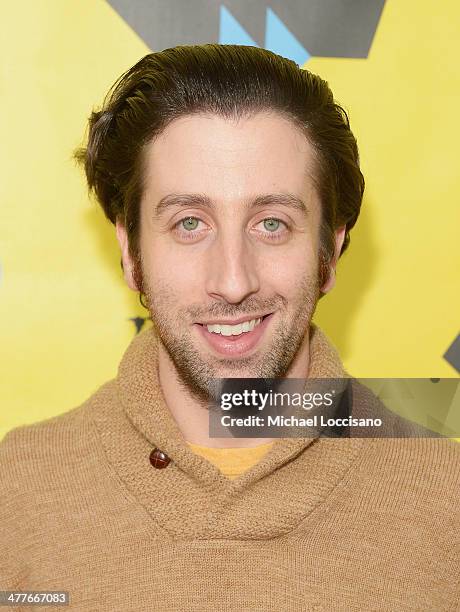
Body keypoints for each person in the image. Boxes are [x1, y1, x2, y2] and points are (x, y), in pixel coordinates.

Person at [1, 45, 458, 611]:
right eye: (190, 223)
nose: (234, 280)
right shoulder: (17, 489)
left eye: (272, 223)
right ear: (130, 251)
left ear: (330, 252)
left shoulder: (448, 497)